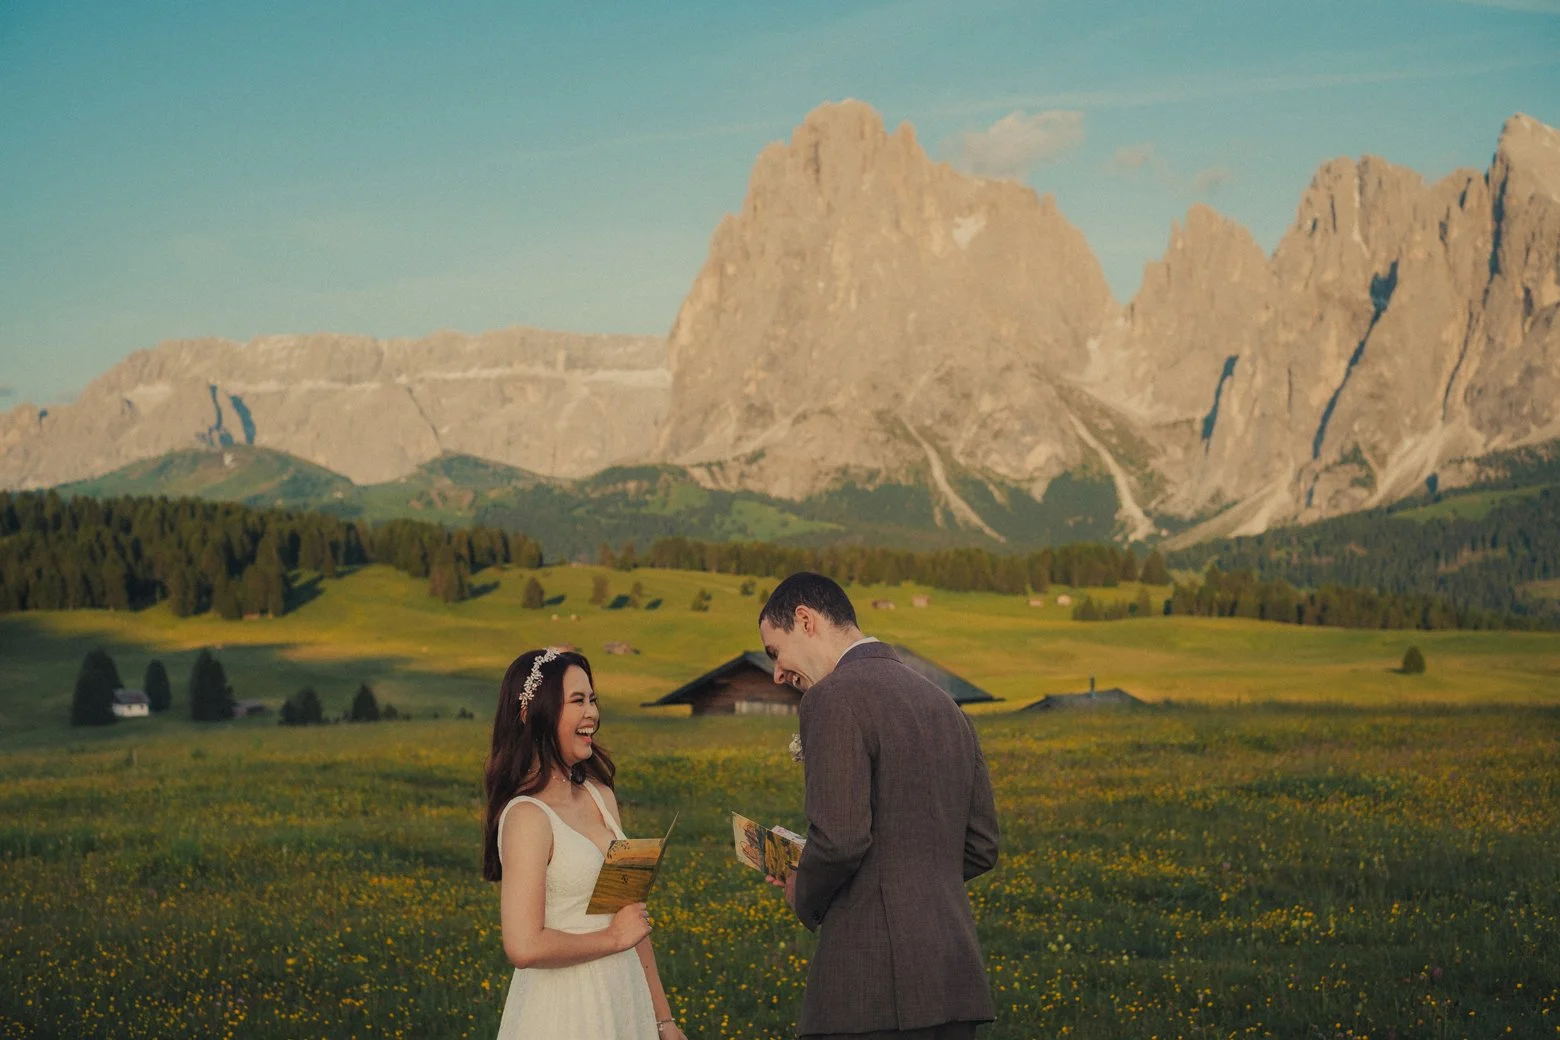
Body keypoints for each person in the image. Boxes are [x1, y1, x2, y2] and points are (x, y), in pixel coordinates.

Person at [758, 573, 1000, 1040]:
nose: (777, 674)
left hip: (868, 993)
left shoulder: (831, 697)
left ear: (805, 620)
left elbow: (843, 839)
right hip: (952, 980)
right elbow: (981, 846)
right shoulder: (945, 704)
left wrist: (801, 886)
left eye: (775, 652)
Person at [483, 648, 687, 1040]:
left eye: (592, 699)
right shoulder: (528, 817)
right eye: (577, 701)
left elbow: (630, 918)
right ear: (533, 715)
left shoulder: (600, 796)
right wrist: (613, 938)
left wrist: (664, 1020)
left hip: (624, 996)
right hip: (566, 1008)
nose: (592, 713)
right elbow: (523, 946)